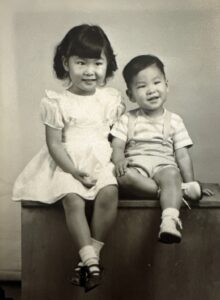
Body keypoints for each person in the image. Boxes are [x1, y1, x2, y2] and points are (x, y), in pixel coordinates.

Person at [12, 24, 125, 292]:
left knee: (109, 192)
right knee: (72, 199)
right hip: (68, 162)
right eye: (81, 62)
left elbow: (118, 136)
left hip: (101, 159)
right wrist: (73, 171)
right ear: (66, 63)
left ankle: (89, 259)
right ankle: (90, 260)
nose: (89, 70)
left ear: (107, 64)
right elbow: (54, 144)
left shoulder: (109, 99)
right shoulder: (56, 102)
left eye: (97, 62)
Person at [111, 54, 213, 244]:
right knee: (122, 176)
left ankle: (169, 221)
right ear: (131, 94)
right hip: (136, 168)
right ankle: (175, 192)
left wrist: (190, 181)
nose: (151, 90)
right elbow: (117, 146)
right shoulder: (126, 119)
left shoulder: (174, 120)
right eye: (142, 86)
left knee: (172, 175)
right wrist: (119, 161)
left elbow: (182, 155)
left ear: (167, 85)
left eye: (156, 83)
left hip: (163, 167)